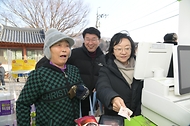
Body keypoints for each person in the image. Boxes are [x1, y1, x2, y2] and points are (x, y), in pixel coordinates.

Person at [16, 28, 89, 126]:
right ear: (49, 50)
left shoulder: (73, 70)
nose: (64, 49)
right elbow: (22, 104)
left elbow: (82, 88)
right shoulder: (39, 75)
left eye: (67, 46)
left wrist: (82, 90)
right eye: (58, 45)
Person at [95, 32, 143, 117]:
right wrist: (113, 98)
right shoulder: (106, 68)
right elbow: (102, 87)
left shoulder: (141, 66)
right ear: (112, 51)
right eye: (119, 49)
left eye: (127, 48)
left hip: (140, 116)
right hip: (116, 117)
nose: (123, 52)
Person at [67, 27, 104, 116]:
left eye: (94, 39)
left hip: (94, 100)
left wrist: (99, 86)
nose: (90, 43)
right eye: (87, 39)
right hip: (76, 99)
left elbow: (105, 76)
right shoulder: (74, 54)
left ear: (99, 41)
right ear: (84, 40)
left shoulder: (103, 58)